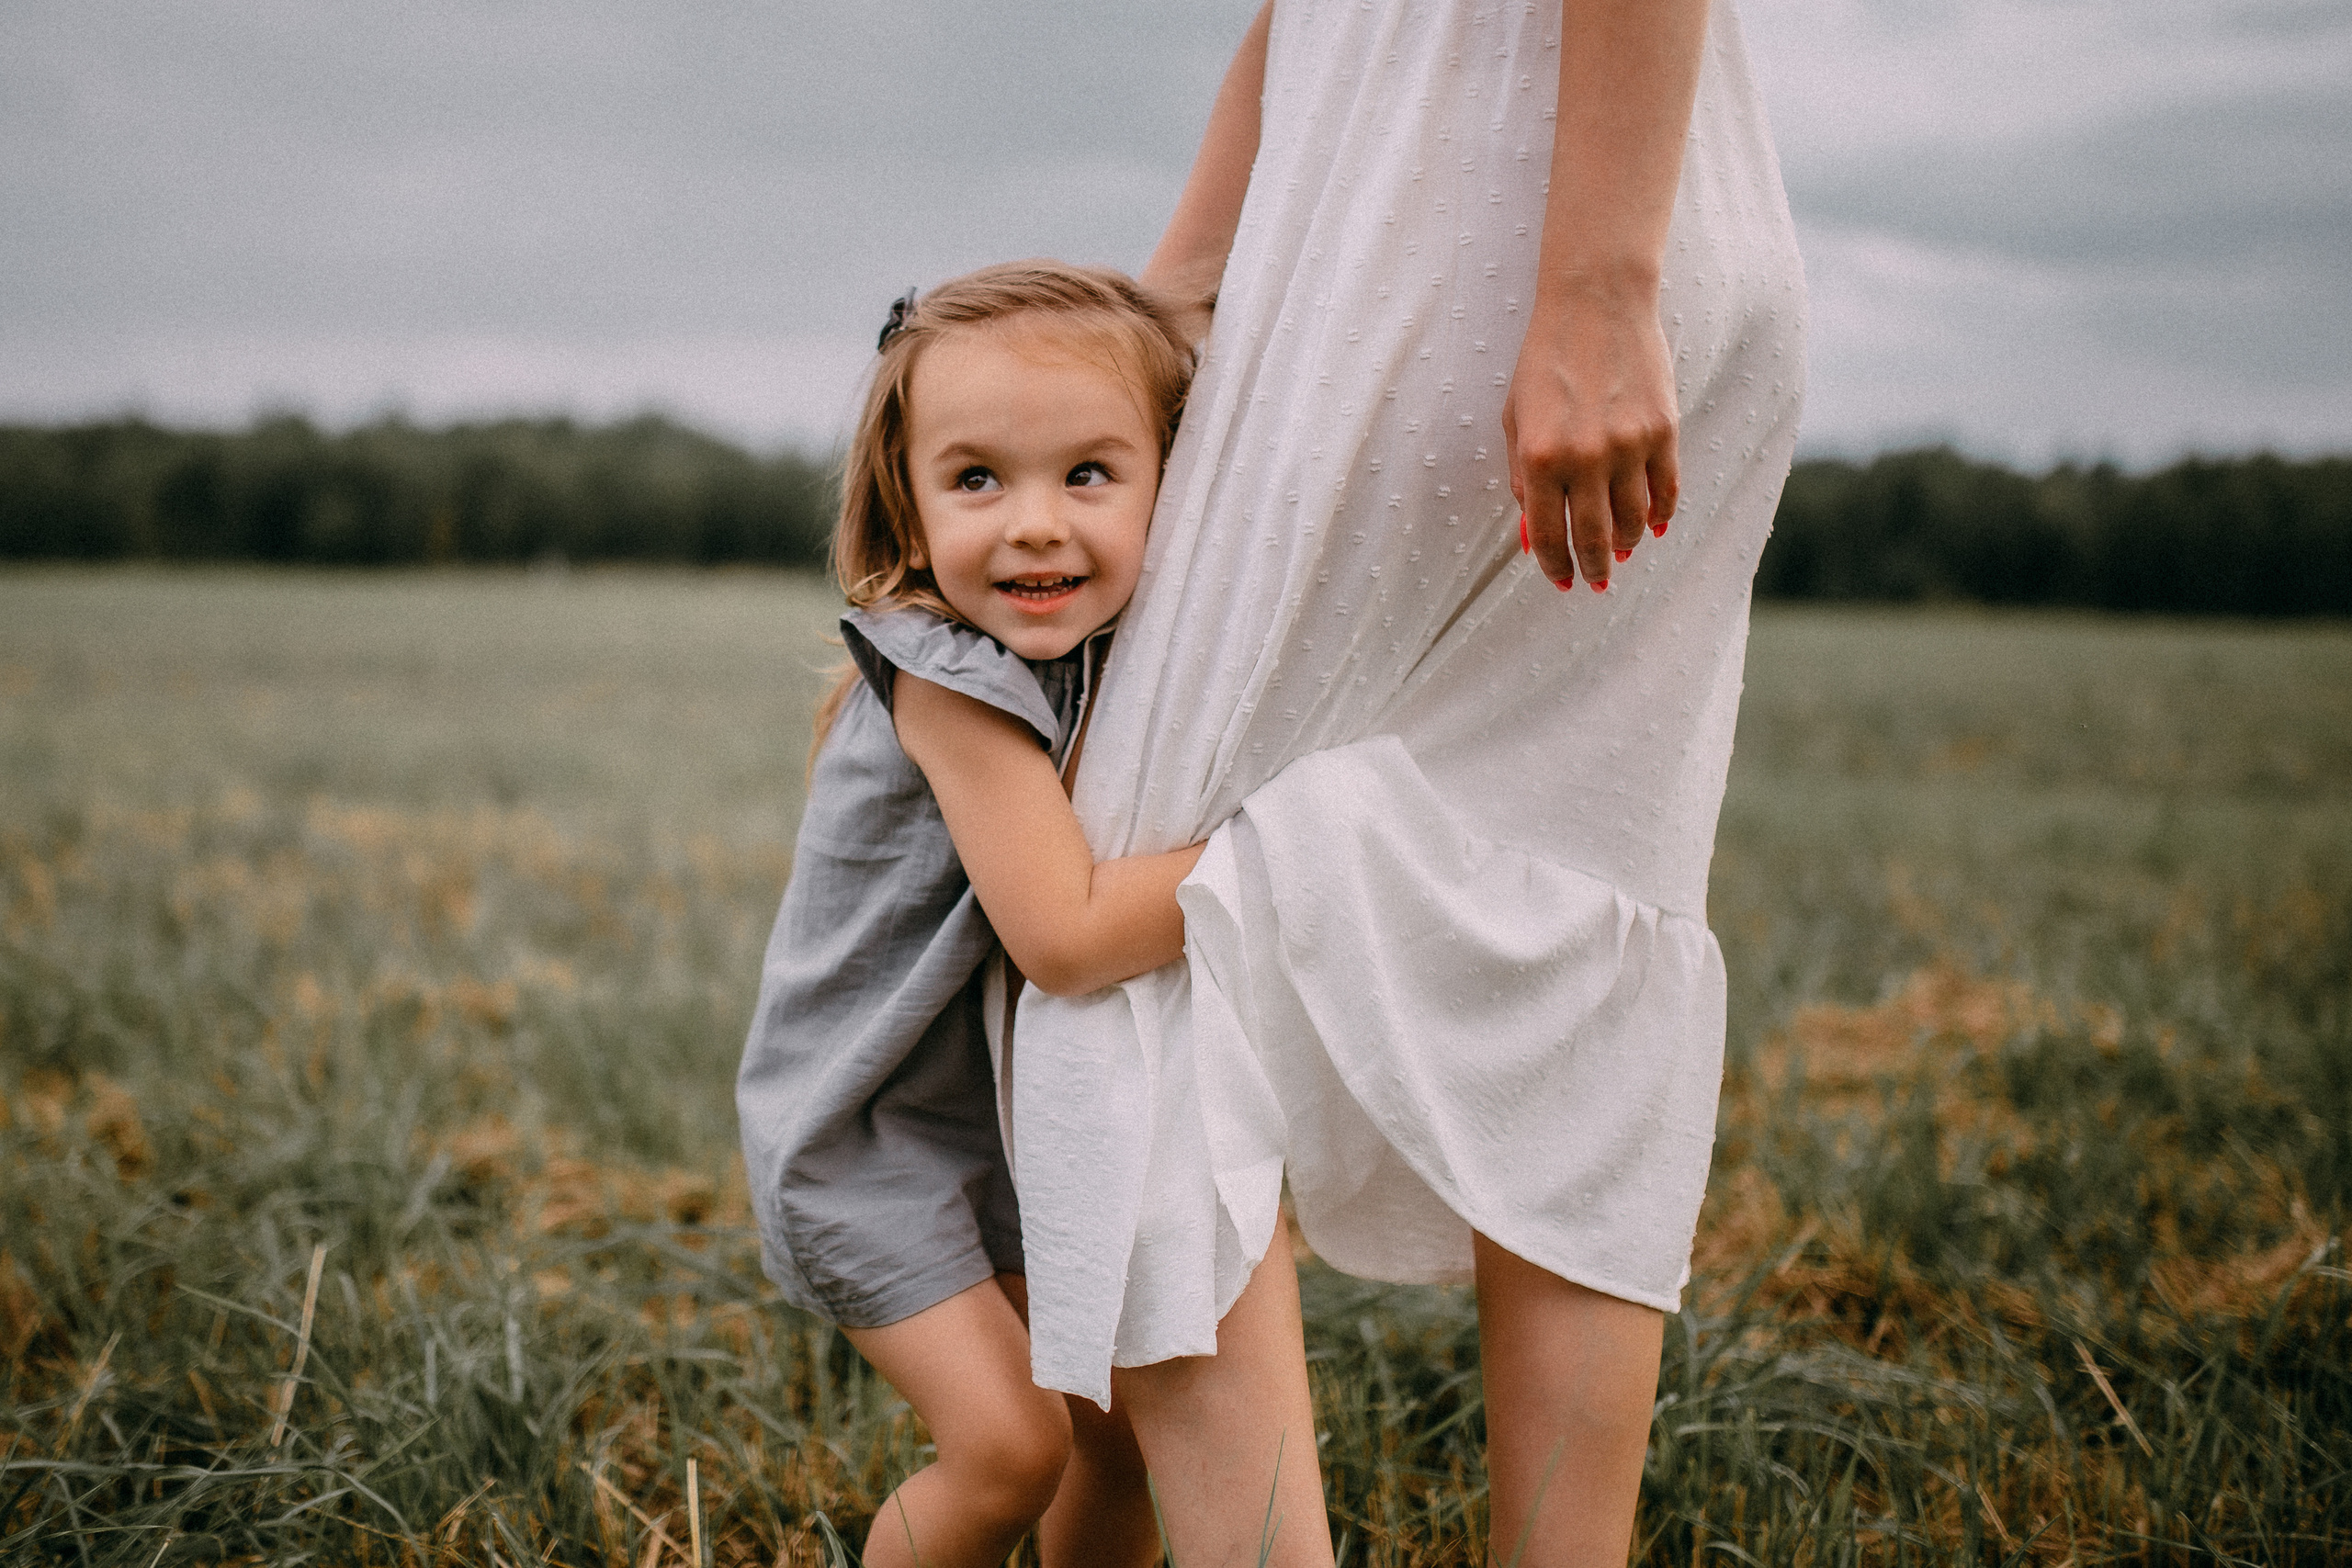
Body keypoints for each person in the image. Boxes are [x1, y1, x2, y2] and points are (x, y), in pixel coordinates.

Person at [1010, 2, 1808, 1564]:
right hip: (1623, 245)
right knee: (1577, 913)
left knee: (1136, 914)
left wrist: (1594, 284)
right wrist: (1166, 312)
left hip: (1457, 252)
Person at [734, 261, 1198, 1568]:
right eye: (977, 479)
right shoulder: (945, 673)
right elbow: (1066, 934)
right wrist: (1296, 857)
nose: (1035, 526)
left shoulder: (1112, 657)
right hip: (866, 1139)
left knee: (1117, 1437)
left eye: (1088, 475)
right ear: (910, 500)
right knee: (1008, 1449)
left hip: (995, 1124)